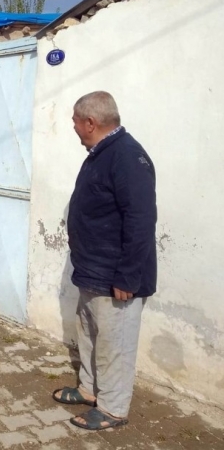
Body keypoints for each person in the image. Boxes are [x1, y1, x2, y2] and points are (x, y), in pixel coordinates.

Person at [52, 91, 157, 430]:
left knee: (115, 344)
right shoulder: (101, 153)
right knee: (90, 335)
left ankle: (113, 409)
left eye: (74, 120)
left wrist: (127, 276)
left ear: (90, 123)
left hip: (116, 278)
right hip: (92, 271)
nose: (72, 126)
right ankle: (90, 389)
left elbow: (141, 220)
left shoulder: (127, 157)